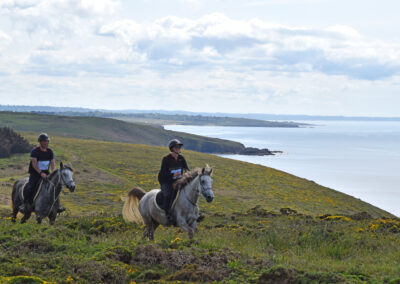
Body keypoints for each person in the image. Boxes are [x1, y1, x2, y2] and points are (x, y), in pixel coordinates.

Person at [20, 133, 65, 214]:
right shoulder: (35, 151)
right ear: (40, 142)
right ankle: (25, 204)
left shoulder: (50, 151)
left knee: (54, 187)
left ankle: (56, 206)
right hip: (35, 173)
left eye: (47, 141)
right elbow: (34, 164)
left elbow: (52, 163)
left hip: (46, 173)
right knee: (30, 187)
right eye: (44, 141)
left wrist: (53, 172)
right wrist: (40, 173)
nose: (46, 143)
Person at [158, 139, 189, 224]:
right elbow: (163, 173)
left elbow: (186, 169)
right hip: (166, 181)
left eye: (179, 146)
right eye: (177, 147)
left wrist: (188, 176)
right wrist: (173, 176)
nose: (179, 148)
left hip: (178, 181)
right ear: (172, 148)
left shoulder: (181, 158)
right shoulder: (166, 159)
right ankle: (167, 214)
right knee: (167, 194)